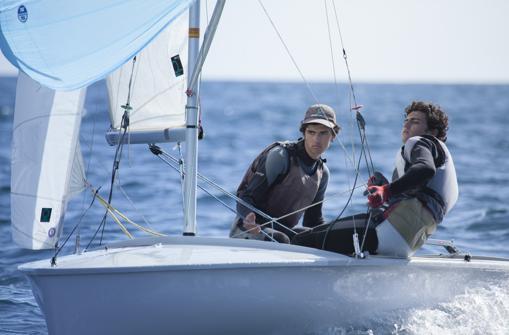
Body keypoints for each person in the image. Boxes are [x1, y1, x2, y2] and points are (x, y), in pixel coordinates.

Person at [293, 101, 458, 258]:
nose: (406, 125)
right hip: (407, 242)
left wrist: (386, 190)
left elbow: (425, 169)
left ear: (432, 132)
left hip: (387, 232)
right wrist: (385, 186)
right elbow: (420, 196)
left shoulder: (420, 142)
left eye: (414, 122)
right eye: (406, 120)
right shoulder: (440, 156)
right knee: (307, 232)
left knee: (301, 240)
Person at [229, 104, 340, 243]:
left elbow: (313, 221)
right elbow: (245, 196)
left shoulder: (322, 174)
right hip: (248, 230)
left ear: (334, 135)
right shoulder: (280, 157)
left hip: (282, 232)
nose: (316, 140)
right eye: (311, 132)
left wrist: (333, 234)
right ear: (304, 133)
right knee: (281, 239)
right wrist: (249, 217)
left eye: (323, 133)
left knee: (315, 237)